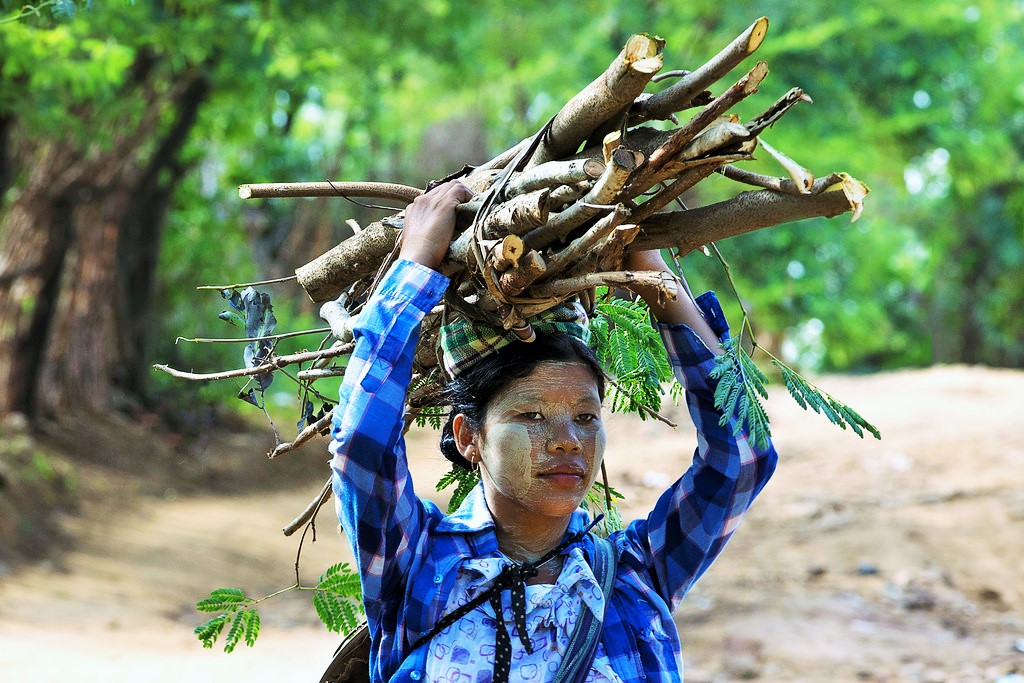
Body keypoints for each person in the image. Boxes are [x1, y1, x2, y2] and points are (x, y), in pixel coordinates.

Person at [329, 179, 779, 682]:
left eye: (586, 417)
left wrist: (655, 278)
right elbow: (361, 448)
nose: (568, 440)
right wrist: (413, 267)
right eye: (531, 416)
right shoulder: (418, 566)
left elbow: (741, 459)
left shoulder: (636, 572)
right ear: (467, 437)